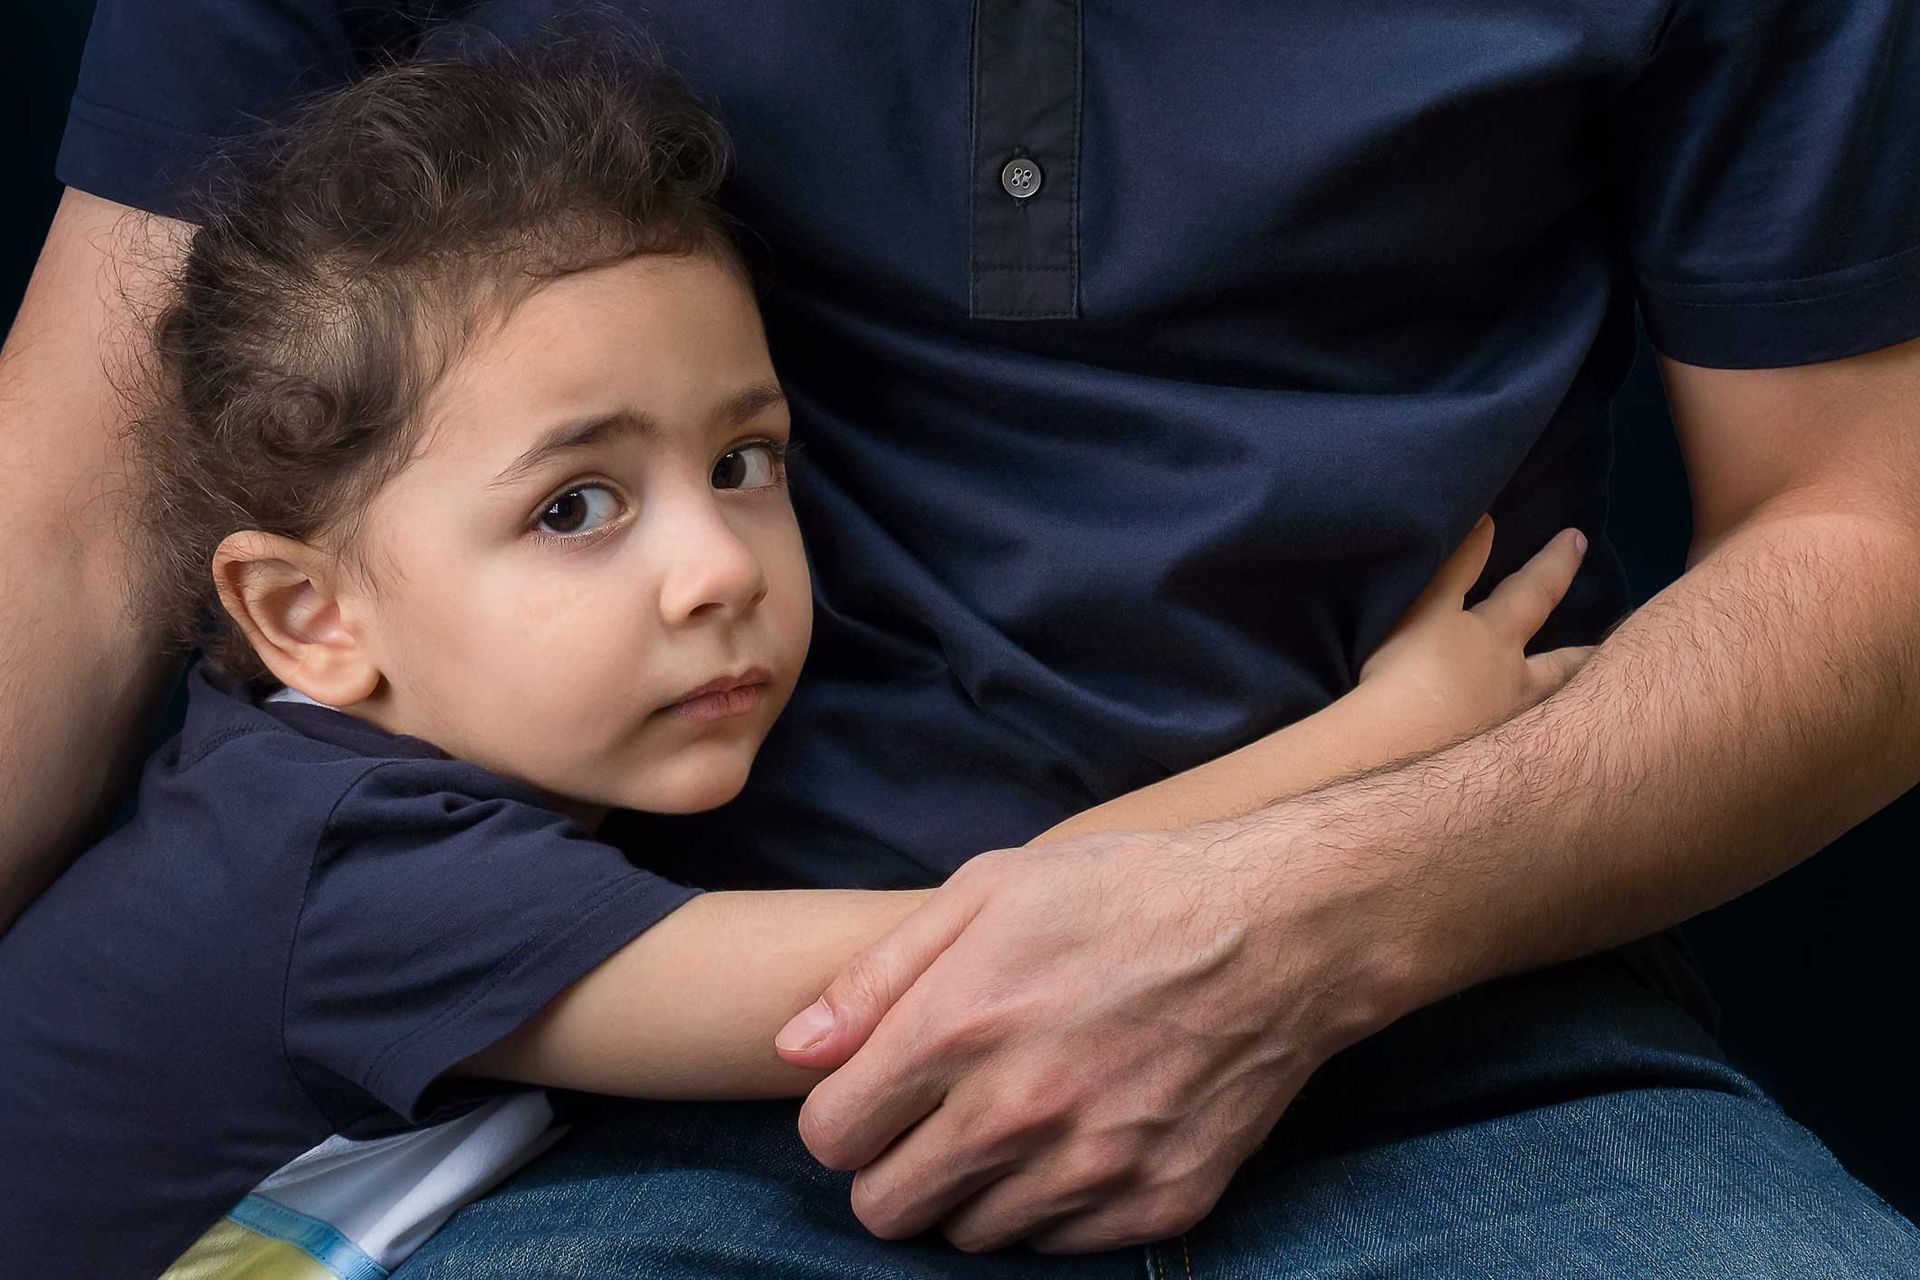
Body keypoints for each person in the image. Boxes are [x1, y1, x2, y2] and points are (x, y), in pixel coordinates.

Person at [5, 2, 1918, 1277]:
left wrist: (1356, 891)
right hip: (649, 1141)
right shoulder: (359, 879)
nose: (719, 572)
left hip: (1476, 1050)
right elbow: (938, 975)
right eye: (576, 505)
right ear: (303, 616)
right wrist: (1392, 729)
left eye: (752, 465)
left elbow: (1869, 523)